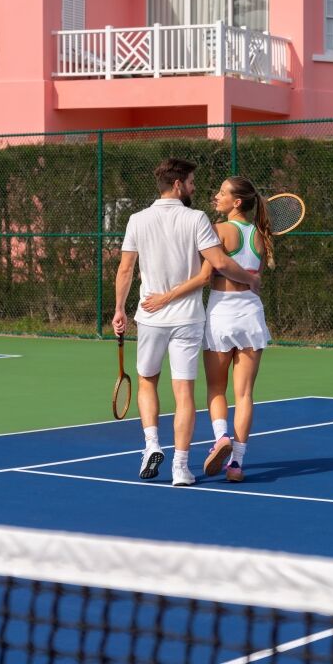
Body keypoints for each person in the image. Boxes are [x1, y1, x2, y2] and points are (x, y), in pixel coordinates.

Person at [113, 159, 261, 487]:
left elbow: (125, 270)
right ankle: (181, 467)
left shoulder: (137, 220)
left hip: (150, 316)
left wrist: (119, 309)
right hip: (189, 319)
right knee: (184, 393)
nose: (195, 188)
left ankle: (152, 445)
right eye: (192, 182)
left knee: (147, 382)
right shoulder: (197, 220)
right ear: (178, 185)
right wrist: (250, 281)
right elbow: (219, 263)